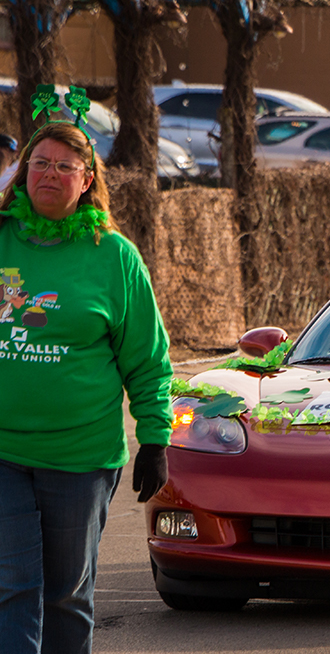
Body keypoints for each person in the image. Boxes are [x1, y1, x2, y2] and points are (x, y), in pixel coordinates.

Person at [0, 120, 172, 653]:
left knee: (67, 595)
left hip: (81, 460)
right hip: (3, 451)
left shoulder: (114, 257)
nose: (49, 174)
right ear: (22, 171)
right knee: (11, 588)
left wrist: (156, 437)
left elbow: (147, 359)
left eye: (64, 167)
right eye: (40, 163)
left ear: (88, 180)